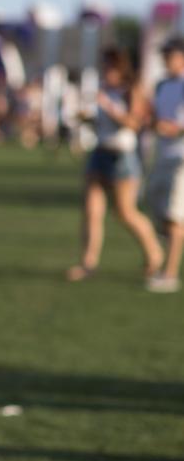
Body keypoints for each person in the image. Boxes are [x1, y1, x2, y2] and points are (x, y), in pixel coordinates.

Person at [66, 48, 163, 282]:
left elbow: (132, 124)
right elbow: (103, 122)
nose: (106, 71)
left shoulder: (132, 90)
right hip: (100, 153)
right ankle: (88, 263)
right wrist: (86, 117)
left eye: (109, 66)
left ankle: (155, 254)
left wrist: (109, 107)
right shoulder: (103, 89)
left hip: (123, 157)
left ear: (120, 68)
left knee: (126, 213)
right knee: (91, 211)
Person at [146, 36, 184, 293]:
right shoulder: (162, 86)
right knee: (154, 207)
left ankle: (169, 275)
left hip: (181, 157)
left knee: (174, 218)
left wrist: (168, 128)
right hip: (163, 155)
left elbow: (176, 126)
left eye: (169, 56)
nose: (165, 61)